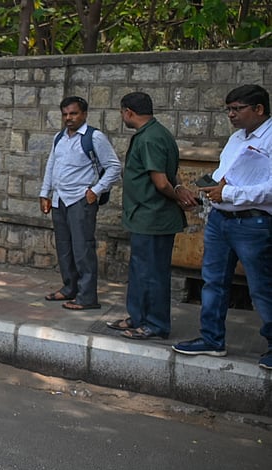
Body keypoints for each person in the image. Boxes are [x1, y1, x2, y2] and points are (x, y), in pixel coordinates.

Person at [172, 84, 272, 369]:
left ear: (259, 109)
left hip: (253, 222)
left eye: (236, 109)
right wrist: (214, 186)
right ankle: (212, 339)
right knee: (213, 281)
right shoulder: (237, 138)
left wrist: (229, 194)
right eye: (228, 109)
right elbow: (225, 174)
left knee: (262, 287)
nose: (231, 115)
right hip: (220, 220)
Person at [105, 92, 198, 340]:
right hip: (143, 216)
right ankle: (137, 317)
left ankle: (155, 324)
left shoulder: (150, 138)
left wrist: (177, 195)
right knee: (140, 271)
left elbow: (160, 181)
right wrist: (178, 189)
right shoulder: (153, 134)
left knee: (153, 274)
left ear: (128, 112)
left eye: (121, 112)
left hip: (153, 217)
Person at [39, 96, 121, 311]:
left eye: (73, 113)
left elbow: (114, 167)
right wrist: (44, 193)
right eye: (65, 114)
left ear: (83, 114)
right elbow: (51, 165)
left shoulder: (94, 137)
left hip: (80, 200)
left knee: (83, 248)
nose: (69, 118)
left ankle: (87, 297)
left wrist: (96, 190)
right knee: (64, 247)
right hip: (59, 199)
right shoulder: (59, 138)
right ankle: (69, 288)